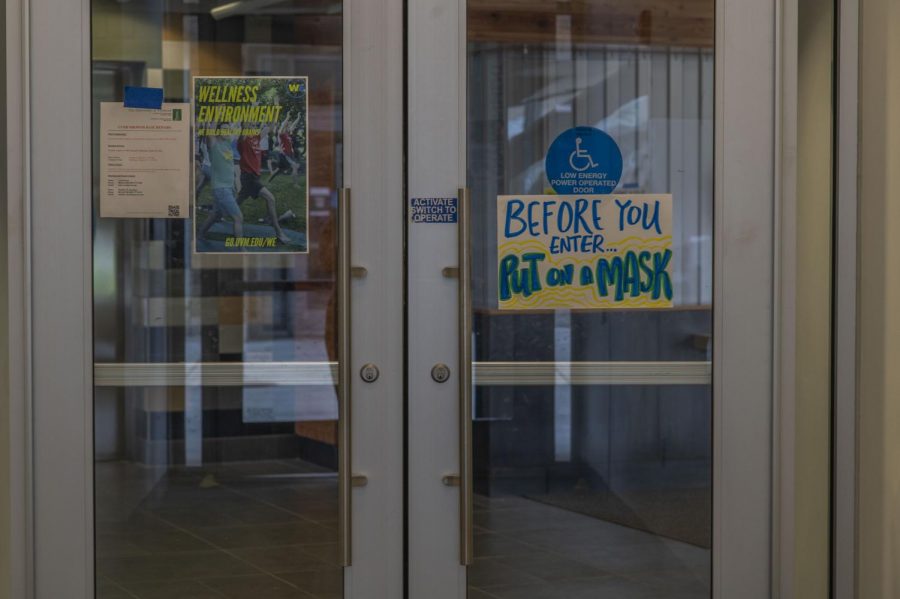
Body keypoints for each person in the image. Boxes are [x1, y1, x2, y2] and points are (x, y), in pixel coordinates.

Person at [236, 122, 293, 245]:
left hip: (255, 177)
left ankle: (216, 215)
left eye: (253, 126)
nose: (253, 128)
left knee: (238, 201)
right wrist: (252, 108)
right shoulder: (242, 141)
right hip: (248, 178)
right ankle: (279, 233)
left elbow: (271, 127)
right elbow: (245, 128)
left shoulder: (256, 138)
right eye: (250, 126)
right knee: (270, 199)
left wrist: (275, 106)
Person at [198, 122, 243, 242]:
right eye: (223, 129)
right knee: (238, 218)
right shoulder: (214, 144)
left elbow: (237, 126)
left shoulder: (228, 143)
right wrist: (217, 113)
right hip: (221, 189)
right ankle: (242, 250)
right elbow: (210, 131)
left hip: (229, 186)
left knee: (215, 215)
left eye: (228, 129)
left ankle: (200, 234)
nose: (227, 131)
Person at [266, 109, 303, 187]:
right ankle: (295, 184)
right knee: (295, 166)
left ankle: (268, 181)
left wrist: (298, 118)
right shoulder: (281, 134)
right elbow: (282, 126)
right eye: (287, 124)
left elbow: (293, 125)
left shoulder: (287, 133)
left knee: (279, 170)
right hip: (285, 155)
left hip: (289, 154)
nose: (289, 125)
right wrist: (287, 117)